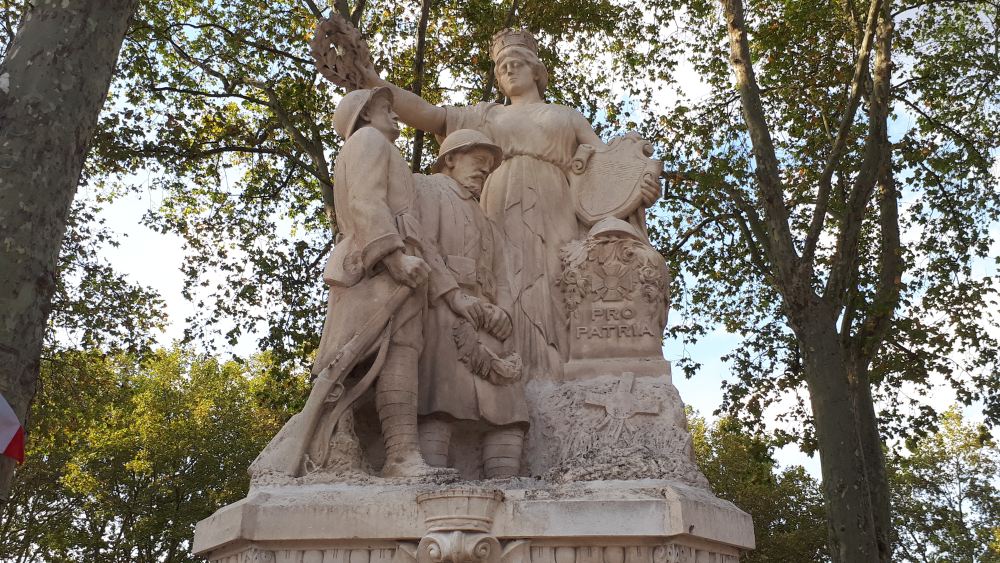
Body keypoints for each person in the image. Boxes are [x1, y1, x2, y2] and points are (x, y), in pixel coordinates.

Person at [363, 30, 659, 381]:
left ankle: (555, 375)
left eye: (517, 64)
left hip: (554, 202)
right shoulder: (487, 116)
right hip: (498, 201)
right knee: (502, 280)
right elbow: (430, 115)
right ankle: (507, 377)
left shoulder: (567, 116)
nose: (509, 71)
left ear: (537, 71)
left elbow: (607, 173)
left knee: (555, 279)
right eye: (502, 68)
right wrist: (372, 81)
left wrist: (640, 191)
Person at [414, 129, 529, 478]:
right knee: (441, 405)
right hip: (444, 312)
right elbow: (421, 245)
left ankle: (506, 486)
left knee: (509, 412)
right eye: (479, 161)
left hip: (486, 320)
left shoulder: (487, 221)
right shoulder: (428, 189)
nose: (484, 171)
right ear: (450, 159)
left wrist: (504, 312)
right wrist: (452, 294)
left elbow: (503, 275)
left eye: (490, 167)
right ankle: (428, 483)